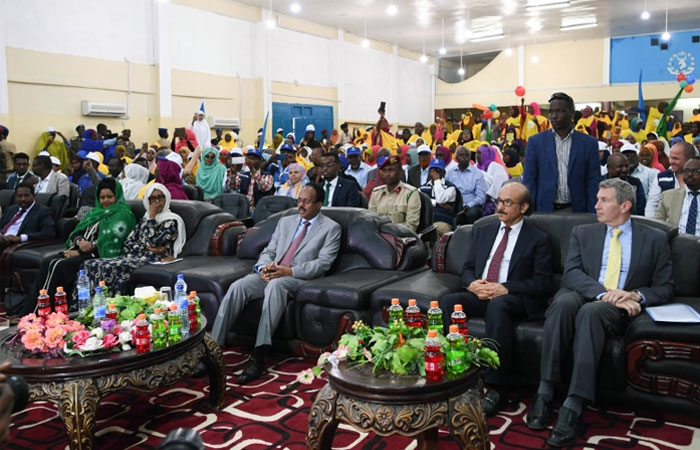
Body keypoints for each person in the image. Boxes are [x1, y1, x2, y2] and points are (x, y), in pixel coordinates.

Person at [526, 178, 673, 447]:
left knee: (591, 313)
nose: (596, 205)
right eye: (597, 199)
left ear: (625, 205)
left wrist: (635, 296)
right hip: (588, 293)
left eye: (604, 200)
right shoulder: (583, 233)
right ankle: (544, 391)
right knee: (562, 303)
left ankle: (574, 404)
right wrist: (604, 293)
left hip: (615, 307)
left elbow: (665, 287)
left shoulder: (655, 239)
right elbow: (571, 274)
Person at [440, 182, 552, 416]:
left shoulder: (538, 238)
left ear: (523, 207)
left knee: (498, 306)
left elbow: (543, 283)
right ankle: (452, 369)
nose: (500, 207)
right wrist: (471, 283)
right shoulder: (484, 230)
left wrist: (505, 288)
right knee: (449, 302)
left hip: (514, 297)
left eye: (507, 203)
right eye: (499, 201)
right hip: (481, 292)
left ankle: (497, 387)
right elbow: (468, 267)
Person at [211, 183, 342, 383]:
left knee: (276, 285)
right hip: (273, 272)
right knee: (238, 286)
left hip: (299, 278)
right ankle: (213, 349)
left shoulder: (331, 228)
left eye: (306, 201)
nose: (301, 205)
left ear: (318, 204)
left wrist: (288, 271)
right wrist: (263, 267)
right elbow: (269, 251)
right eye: (299, 200)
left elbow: (322, 264)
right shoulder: (286, 222)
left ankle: (258, 353)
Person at [80, 183, 185, 296]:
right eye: (152, 198)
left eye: (160, 197)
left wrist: (152, 218)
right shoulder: (145, 218)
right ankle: (89, 305)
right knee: (90, 264)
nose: (157, 202)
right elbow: (129, 242)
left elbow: (154, 242)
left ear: (167, 198)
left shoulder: (172, 221)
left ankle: (112, 306)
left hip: (154, 259)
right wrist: (146, 247)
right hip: (134, 256)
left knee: (109, 267)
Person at [42, 178, 136, 299]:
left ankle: (55, 308)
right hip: (81, 249)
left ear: (117, 196)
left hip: (98, 254)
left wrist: (80, 252)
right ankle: (35, 308)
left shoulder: (124, 215)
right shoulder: (96, 212)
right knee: (47, 262)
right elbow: (78, 231)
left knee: (60, 266)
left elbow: (109, 241)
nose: (106, 201)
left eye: (110, 197)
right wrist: (79, 241)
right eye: (102, 198)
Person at [523, 92, 600, 213]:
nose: (554, 116)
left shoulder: (589, 144)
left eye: (560, 111)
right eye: (551, 112)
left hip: (577, 211)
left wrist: (592, 213)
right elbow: (530, 181)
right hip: (545, 211)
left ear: (572, 114)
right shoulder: (536, 142)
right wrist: (531, 212)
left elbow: (593, 182)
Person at [369, 155, 421, 231]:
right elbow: (371, 222)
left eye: (391, 170)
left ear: (400, 172)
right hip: (379, 239)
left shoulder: (411, 193)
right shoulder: (376, 193)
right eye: (384, 170)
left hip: (402, 238)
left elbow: (411, 226)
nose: (387, 174)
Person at [645, 141, 697, 217]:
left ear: (689, 160)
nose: (671, 161)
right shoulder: (661, 178)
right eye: (670, 157)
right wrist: (652, 225)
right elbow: (652, 204)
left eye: (676, 158)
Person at [0, 182, 55, 249]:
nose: (23, 199)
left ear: (34, 196)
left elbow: (49, 233)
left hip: (16, 245)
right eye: (19, 196)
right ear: (15, 197)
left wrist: (20, 238)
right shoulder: (10, 209)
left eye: (26, 196)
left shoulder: (43, 211)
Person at [654, 157, 700, 235]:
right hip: (675, 243)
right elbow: (657, 225)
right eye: (686, 171)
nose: (689, 174)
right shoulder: (668, 196)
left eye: (695, 171)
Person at [446, 146, 487, 224]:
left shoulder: (477, 174)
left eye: (467, 155)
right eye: (462, 155)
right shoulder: (450, 173)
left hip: (472, 205)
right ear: (456, 158)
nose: (464, 158)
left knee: (471, 214)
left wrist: (468, 205)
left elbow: (481, 197)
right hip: (454, 204)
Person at [419, 159, 458, 236]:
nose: (434, 173)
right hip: (425, 221)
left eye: (438, 170)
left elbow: (440, 199)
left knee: (437, 231)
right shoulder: (423, 188)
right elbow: (418, 201)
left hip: (442, 221)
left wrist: (437, 180)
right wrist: (436, 203)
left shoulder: (450, 187)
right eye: (432, 170)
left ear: (444, 172)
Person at [476, 144, 509, 213]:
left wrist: (487, 196)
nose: (477, 155)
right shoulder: (475, 167)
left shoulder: (496, 167)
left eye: (479, 153)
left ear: (486, 154)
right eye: (476, 153)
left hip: (492, 200)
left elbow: (498, 184)